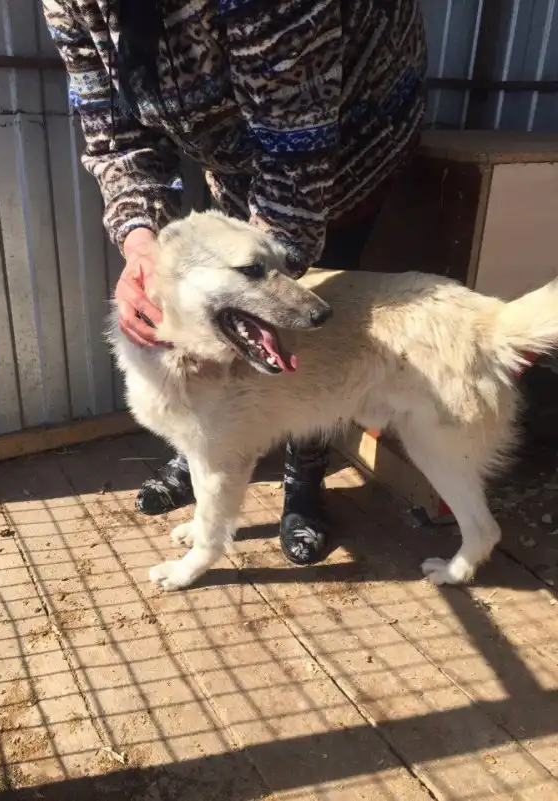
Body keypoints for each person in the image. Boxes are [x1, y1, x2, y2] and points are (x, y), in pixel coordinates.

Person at [42, 0, 427, 566]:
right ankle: (204, 451)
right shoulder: (70, 4)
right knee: (228, 309)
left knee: (302, 335)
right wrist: (140, 242)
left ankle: (303, 482)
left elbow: (296, 156)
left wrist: (261, 269)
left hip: (346, 141)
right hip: (234, 150)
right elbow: (116, 137)